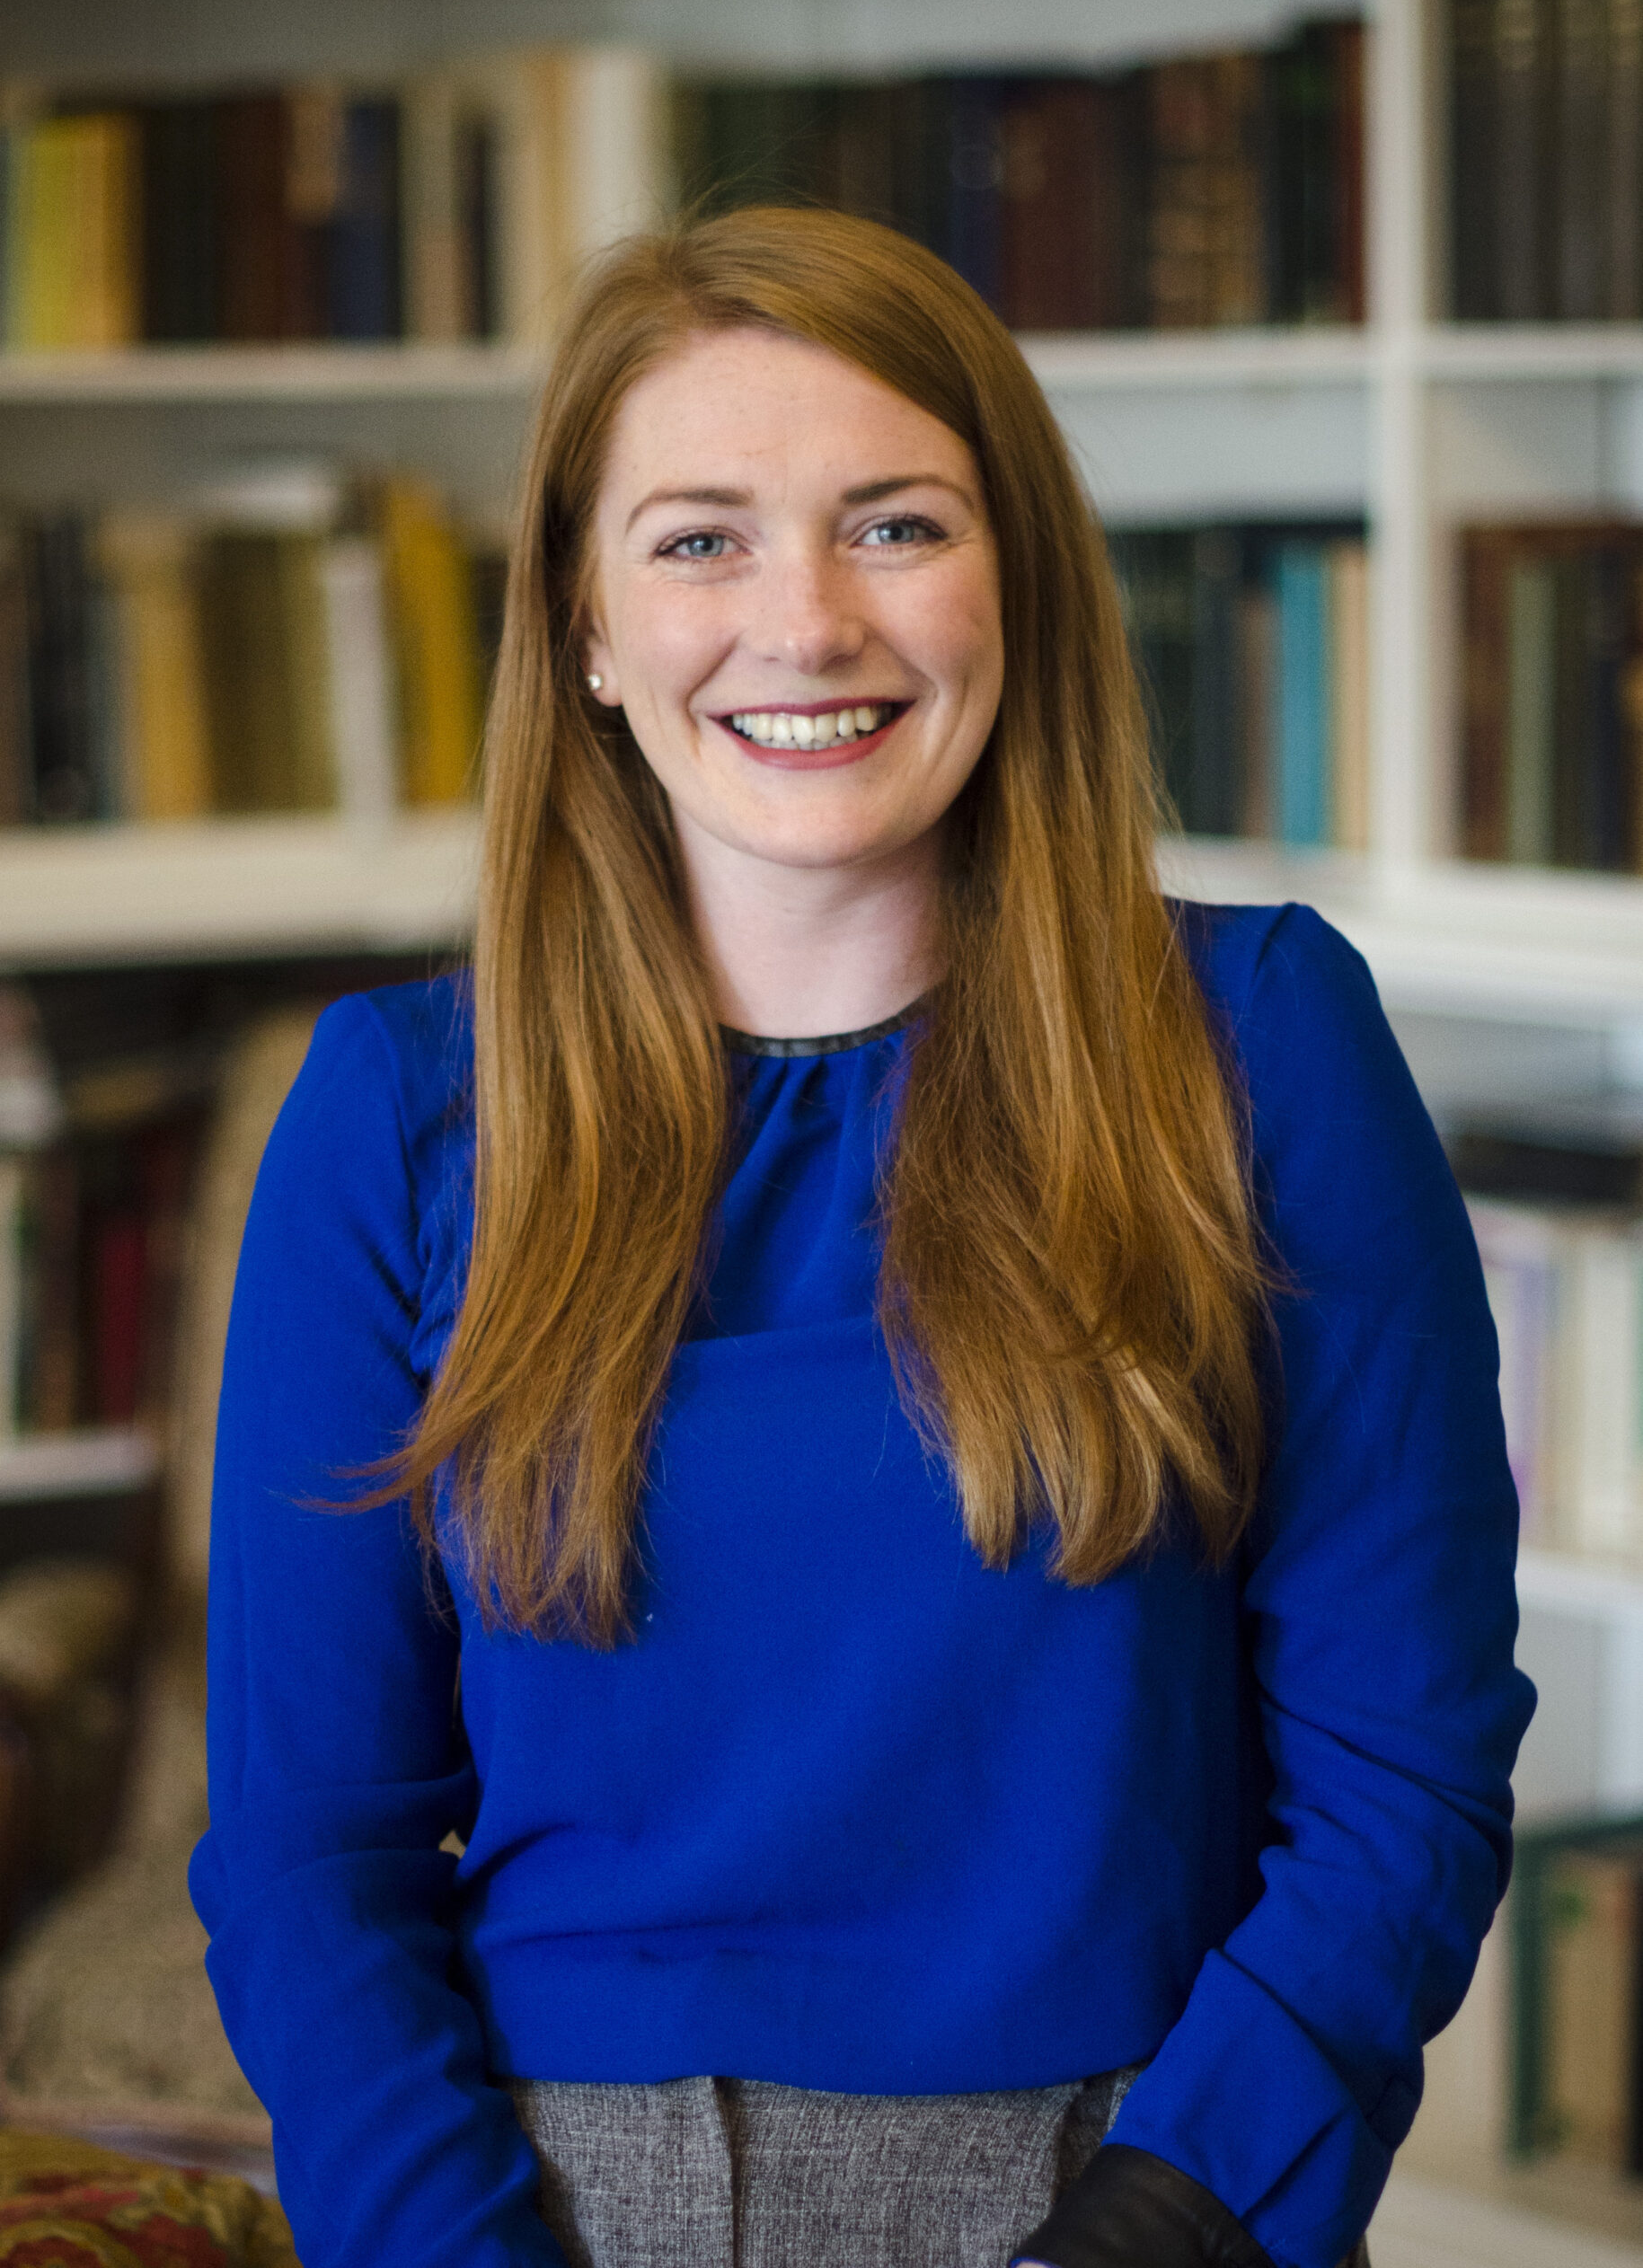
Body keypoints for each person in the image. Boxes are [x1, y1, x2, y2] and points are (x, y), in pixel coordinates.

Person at [192, 207, 1534, 2268]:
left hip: (1140, 2178)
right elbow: (308, 1850)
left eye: (895, 524)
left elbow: (1405, 1769)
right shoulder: (397, 1114)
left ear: (1020, 584)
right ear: (585, 627)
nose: (805, 622)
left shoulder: (1262, 1043)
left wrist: (1165, 2217)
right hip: (547, 2204)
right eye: (701, 538)